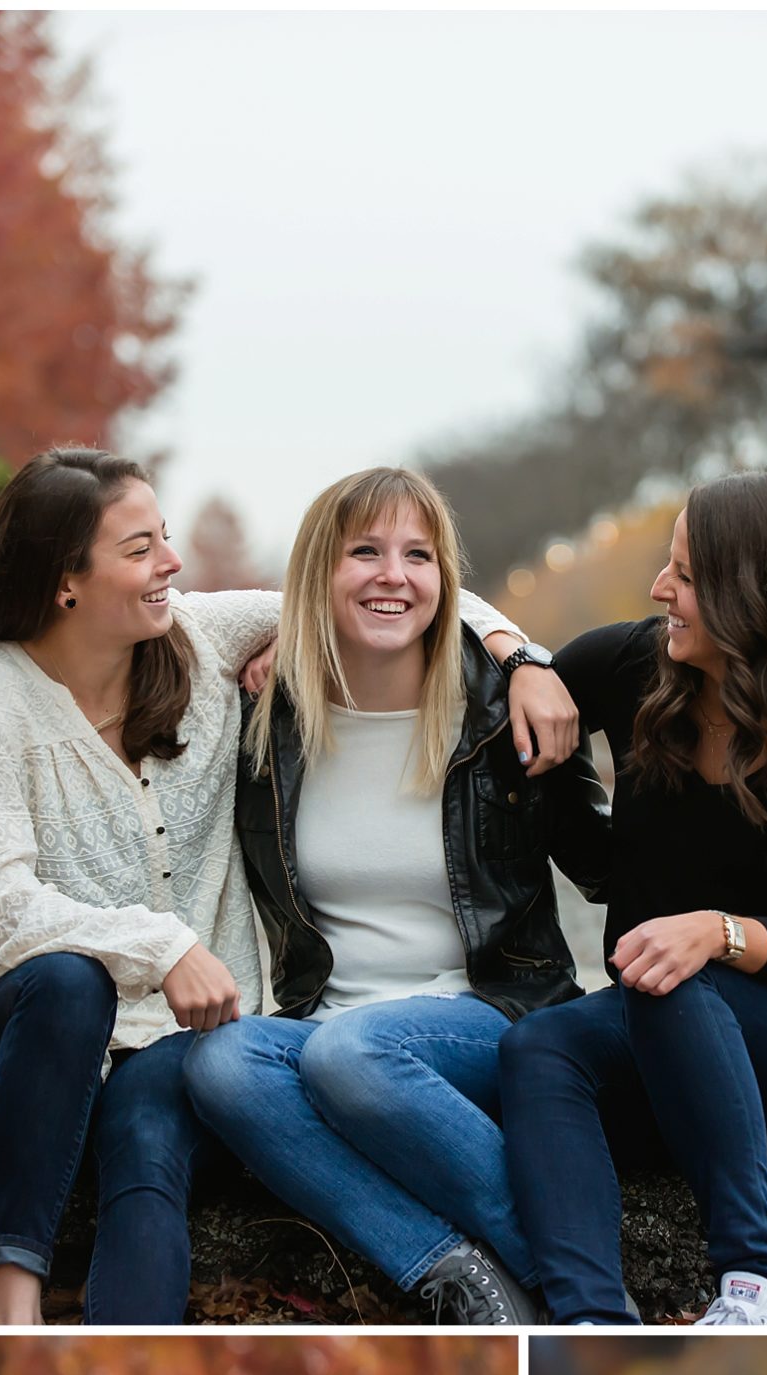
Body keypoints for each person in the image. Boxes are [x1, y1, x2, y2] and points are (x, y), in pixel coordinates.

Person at [0, 447, 558, 1323]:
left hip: (184, 1042)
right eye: (140, 549)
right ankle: (12, 1306)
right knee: (70, 978)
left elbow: (410, 595)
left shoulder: (200, 636)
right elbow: (0, 907)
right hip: (10, 1064)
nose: (170, 565)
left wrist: (523, 660)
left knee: (147, 1138)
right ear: (65, 578)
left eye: (165, 539)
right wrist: (165, 944)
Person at [182, 465, 606, 1325]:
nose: (393, 575)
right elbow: (165, 629)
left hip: (491, 1013)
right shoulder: (268, 723)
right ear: (317, 578)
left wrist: (526, 659)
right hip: (324, 1023)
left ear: (445, 580)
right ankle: (460, 1279)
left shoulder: (500, 713)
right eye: (364, 552)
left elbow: (609, 866)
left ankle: (566, 1278)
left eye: (419, 556)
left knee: (355, 1052)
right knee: (223, 1062)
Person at [497, 468, 767, 1326]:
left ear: (752, 592)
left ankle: (757, 1289)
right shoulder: (632, 667)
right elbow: (480, 674)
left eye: (682, 575)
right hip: (668, 1042)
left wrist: (715, 933)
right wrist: (521, 662)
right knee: (539, 1049)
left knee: (671, 977)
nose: (659, 590)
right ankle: (588, 1318)